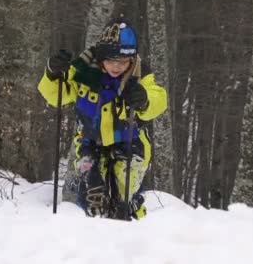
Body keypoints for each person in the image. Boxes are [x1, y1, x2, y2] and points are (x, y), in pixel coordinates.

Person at [38, 18, 167, 219]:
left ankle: (132, 222)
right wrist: (53, 74)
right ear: (100, 57)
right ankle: (92, 228)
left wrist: (143, 100)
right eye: (110, 60)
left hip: (130, 142)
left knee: (124, 192)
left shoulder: (140, 74)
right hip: (89, 141)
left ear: (131, 60)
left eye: (123, 62)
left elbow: (159, 98)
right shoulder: (82, 71)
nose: (116, 67)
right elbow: (55, 95)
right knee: (92, 192)